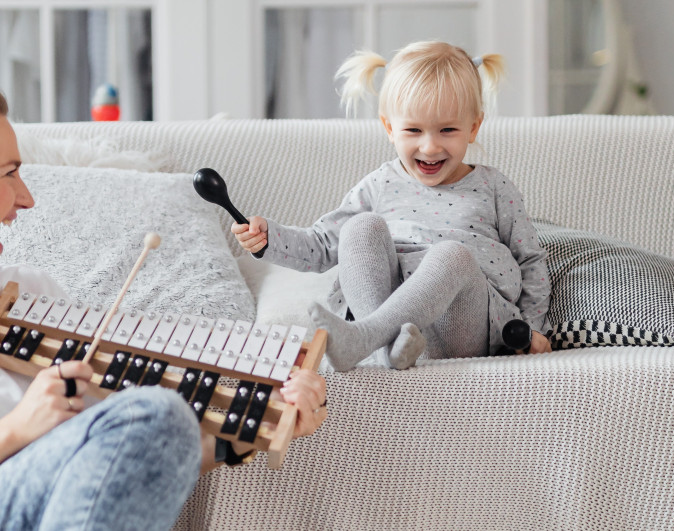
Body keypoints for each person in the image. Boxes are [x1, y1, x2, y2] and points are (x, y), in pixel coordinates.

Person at [0, 72, 327, 531]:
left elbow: (117, 459)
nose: (27, 197)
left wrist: (253, 429)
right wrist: (17, 430)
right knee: (155, 411)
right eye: (10, 173)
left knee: (158, 416)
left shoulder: (31, 296)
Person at [232, 41, 552, 372]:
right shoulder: (379, 183)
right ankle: (386, 350)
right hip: (401, 335)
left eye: (448, 130)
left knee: (451, 254)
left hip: (464, 322)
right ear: (389, 128)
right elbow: (324, 244)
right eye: (413, 130)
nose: (429, 146)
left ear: (473, 127)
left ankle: (364, 338)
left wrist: (534, 327)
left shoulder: (493, 186)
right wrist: (270, 238)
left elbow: (530, 261)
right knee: (359, 227)